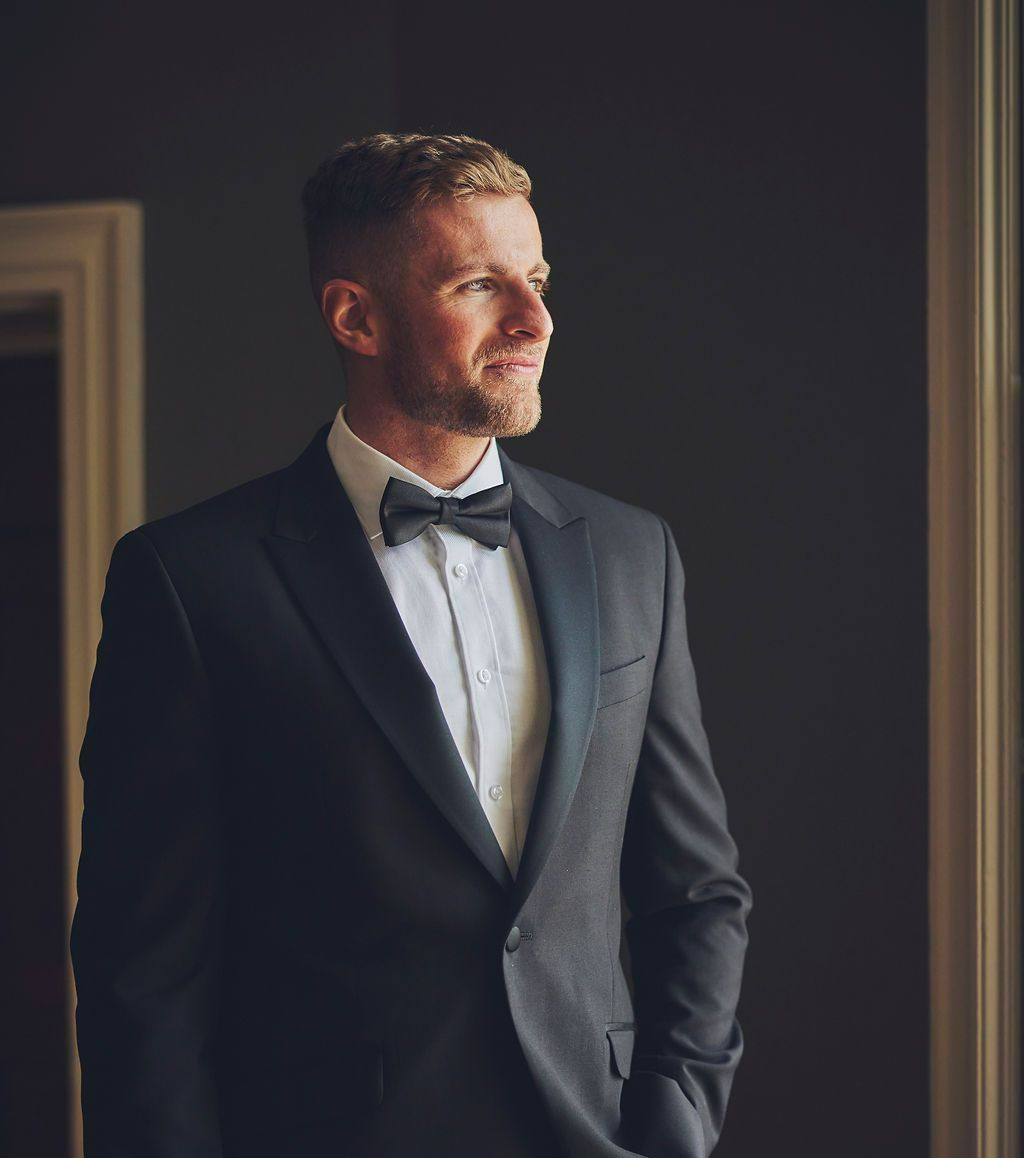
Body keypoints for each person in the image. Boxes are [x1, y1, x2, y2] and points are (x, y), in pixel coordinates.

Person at [70, 132, 752, 1158]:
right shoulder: (190, 579)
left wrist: (676, 1118)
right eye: (482, 285)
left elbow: (694, 888)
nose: (535, 320)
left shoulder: (630, 553)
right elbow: (143, 972)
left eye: (537, 279)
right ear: (355, 314)